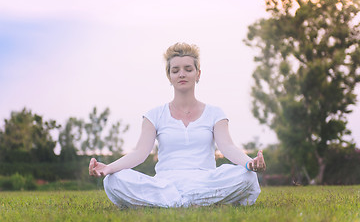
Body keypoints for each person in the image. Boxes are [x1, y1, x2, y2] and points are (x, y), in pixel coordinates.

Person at [89, 42, 266, 208]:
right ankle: (192, 200)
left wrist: (249, 163)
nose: (182, 74)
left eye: (188, 69)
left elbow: (228, 147)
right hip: (165, 184)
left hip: (205, 181)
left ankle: (172, 202)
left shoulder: (215, 113)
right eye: (175, 70)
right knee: (112, 180)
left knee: (248, 176)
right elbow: (139, 153)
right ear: (169, 76)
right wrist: (109, 168)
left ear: (198, 74)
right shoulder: (154, 115)